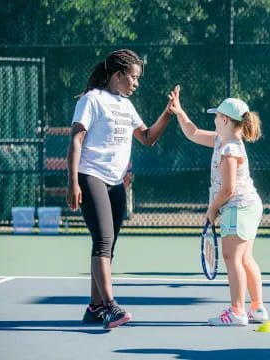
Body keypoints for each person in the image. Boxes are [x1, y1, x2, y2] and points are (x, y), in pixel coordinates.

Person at [67, 49, 173, 329]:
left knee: (108, 245)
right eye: (134, 77)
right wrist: (73, 181)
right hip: (91, 176)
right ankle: (111, 307)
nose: (137, 83)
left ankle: (94, 307)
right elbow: (76, 141)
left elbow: (148, 137)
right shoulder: (92, 100)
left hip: (116, 182)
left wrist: (168, 113)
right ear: (117, 76)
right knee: (103, 240)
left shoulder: (126, 105)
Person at [169, 85, 267, 326]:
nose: (213, 119)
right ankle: (257, 309)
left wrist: (211, 211)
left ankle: (237, 312)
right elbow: (192, 133)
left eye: (216, 116)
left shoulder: (229, 149)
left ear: (224, 119)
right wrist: (180, 112)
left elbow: (228, 189)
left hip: (238, 207)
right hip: (248, 205)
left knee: (231, 258)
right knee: (245, 259)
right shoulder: (221, 140)